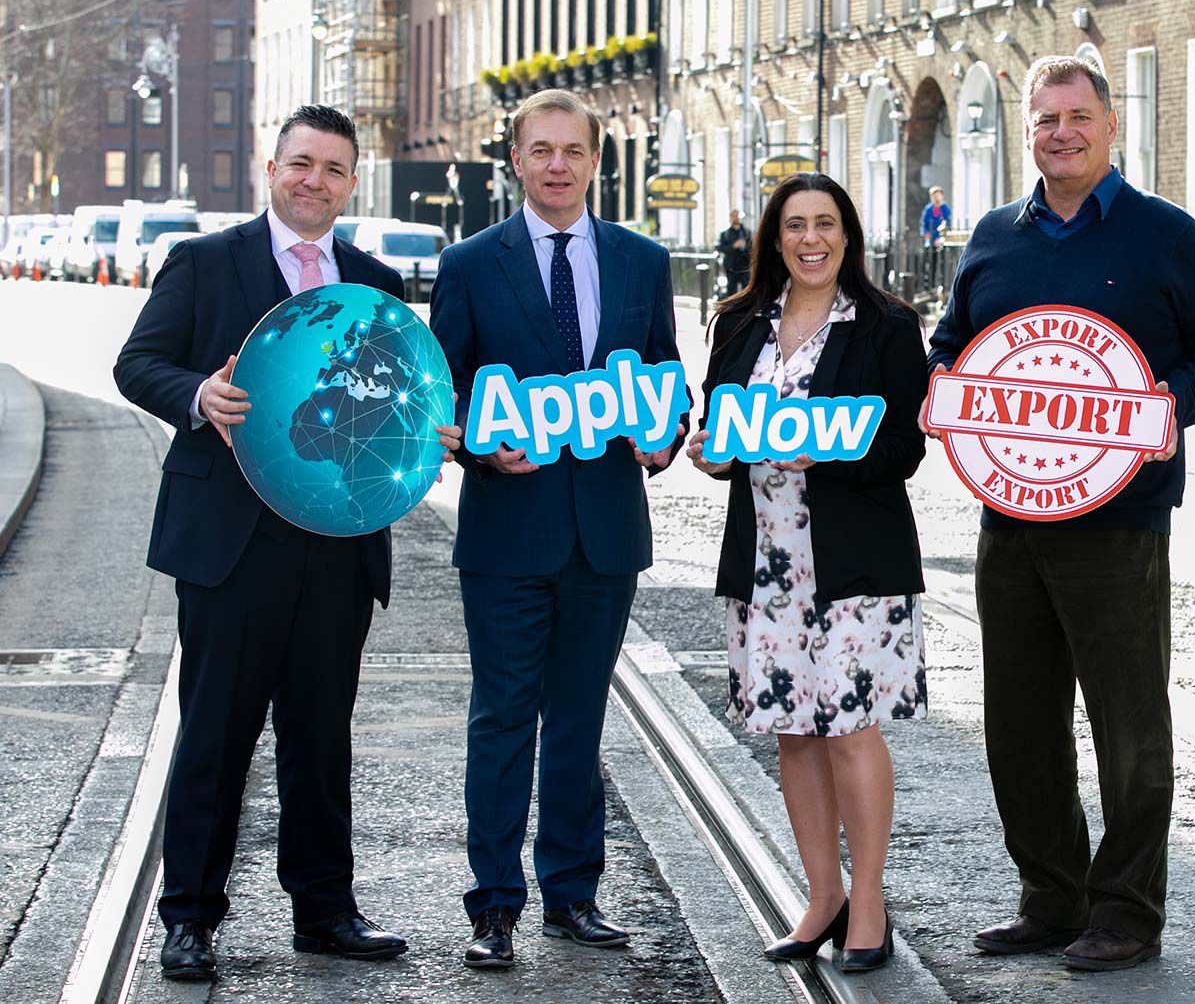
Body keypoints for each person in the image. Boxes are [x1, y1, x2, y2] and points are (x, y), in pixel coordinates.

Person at [922, 56, 1195, 973]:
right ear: (1028, 131)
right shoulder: (993, 236)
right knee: (1019, 722)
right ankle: (1050, 895)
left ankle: (1126, 912)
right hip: (1010, 518)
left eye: (1076, 116)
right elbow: (952, 346)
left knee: (1128, 726)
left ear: (1111, 125)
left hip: (1122, 519)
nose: (1059, 133)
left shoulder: (1165, 235)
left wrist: (1165, 406)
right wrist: (941, 389)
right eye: (1044, 120)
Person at [114, 105, 462, 980]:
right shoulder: (203, 262)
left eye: (334, 169)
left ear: (352, 182)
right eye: (301, 164)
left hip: (338, 544)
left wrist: (428, 432)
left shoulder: (374, 282)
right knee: (215, 737)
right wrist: (200, 396)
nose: (315, 181)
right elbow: (137, 363)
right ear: (273, 169)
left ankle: (325, 909)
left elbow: (399, 394)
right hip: (231, 547)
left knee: (320, 737)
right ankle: (190, 917)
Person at [430, 89, 687, 971]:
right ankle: (494, 903)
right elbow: (447, 397)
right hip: (507, 532)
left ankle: (573, 893)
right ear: (515, 160)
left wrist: (664, 439)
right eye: (540, 150)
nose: (556, 165)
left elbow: (664, 379)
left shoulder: (643, 262)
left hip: (605, 531)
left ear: (595, 161)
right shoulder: (467, 264)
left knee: (579, 722)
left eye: (572, 151)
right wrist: (478, 446)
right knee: (503, 718)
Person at [686, 172, 928, 975]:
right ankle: (821, 895)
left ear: (847, 235)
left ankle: (869, 902)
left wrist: (827, 444)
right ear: (775, 239)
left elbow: (906, 448)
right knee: (794, 731)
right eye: (795, 226)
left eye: (825, 223)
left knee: (852, 732)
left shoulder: (887, 326)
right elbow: (720, 430)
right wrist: (711, 454)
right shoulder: (738, 323)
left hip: (854, 562)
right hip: (766, 563)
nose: (811, 239)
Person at [920, 187, 952, 293]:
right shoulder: (928, 209)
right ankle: (929, 285)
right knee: (929, 262)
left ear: (942, 196)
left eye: (937, 195)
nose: (936, 198)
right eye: (934, 196)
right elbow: (923, 224)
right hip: (930, 241)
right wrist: (925, 233)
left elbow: (947, 224)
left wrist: (939, 239)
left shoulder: (945, 209)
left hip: (941, 241)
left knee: (942, 262)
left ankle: (942, 284)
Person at [716, 209, 752, 292]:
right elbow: (721, 248)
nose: (735, 218)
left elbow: (752, 247)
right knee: (731, 289)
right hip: (731, 265)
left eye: (737, 216)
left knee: (746, 289)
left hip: (745, 264)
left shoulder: (747, 232)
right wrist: (734, 246)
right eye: (733, 216)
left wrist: (745, 246)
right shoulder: (725, 234)